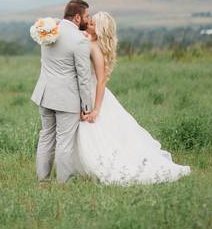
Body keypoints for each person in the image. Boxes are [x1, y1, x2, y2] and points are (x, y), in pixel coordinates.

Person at [72, 11, 191, 184]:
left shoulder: (94, 47)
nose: (87, 23)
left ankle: (95, 167)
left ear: (99, 31)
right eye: (89, 21)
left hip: (92, 95)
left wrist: (96, 108)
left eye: (91, 24)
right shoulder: (88, 40)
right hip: (84, 91)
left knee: (94, 131)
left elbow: (101, 80)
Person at [30, 0, 94, 182]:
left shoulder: (49, 31)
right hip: (66, 98)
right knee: (64, 143)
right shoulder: (79, 41)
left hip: (44, 94)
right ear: (76, 17)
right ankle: (63, 184)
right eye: (86, 16)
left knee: (46, 137)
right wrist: (87, 106)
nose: (88, 20)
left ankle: (43, 181)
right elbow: (83, 77)